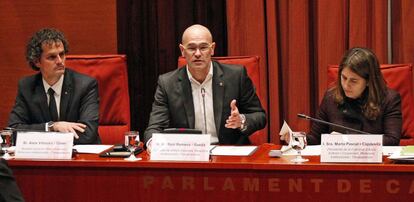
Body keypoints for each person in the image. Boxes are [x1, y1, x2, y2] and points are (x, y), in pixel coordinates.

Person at [144, 24, 266, 145]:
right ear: (182, 50)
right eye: (191, 48)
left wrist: (241, 120)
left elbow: (260, 116)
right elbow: (155, 127)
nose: (197, 53)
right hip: (188, 154)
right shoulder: (167, 83)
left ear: (212, 48)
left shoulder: (236, 76)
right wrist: (152, 145)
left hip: (229, 152)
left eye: (203, 47)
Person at [8, 28, 100, 144]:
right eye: (52, 57)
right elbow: (13, 132)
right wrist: (51, 127)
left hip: (80, 158)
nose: (60, 61)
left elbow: (88, 134)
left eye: (62, 54)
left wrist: (40, 137)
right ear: (37, 61)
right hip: (41, 159)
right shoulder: (27, 87)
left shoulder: (85, 85)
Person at [306, 47, 402, 146]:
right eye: (344, 78)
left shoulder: (389, 99)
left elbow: (392, 140)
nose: (346, 85)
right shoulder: (330, 97)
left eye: (354, 81)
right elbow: (315, 138)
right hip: (338, 160)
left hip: (373, 160)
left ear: (369, 81)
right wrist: (293, 138)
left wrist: (348, 140)